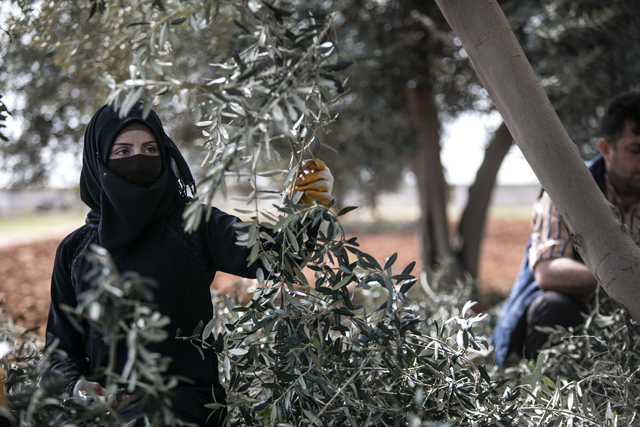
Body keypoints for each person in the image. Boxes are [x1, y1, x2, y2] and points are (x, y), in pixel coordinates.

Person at [44, 102, 333, 425]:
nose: (139, 160)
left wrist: (307, 211)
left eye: (150, 149)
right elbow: (59, 353)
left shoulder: (195, 225)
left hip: (183, 401)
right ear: (98, 161)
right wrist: (77, 389)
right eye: (123, 152)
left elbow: (279, 257)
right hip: (103, 410)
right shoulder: (74, 251)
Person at [492, 91, 640, 366]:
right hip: (576, 316)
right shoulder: (566, 190)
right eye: (635, 150)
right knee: (553, 308)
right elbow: (548, 272)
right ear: (606, 149)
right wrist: (627, 278)